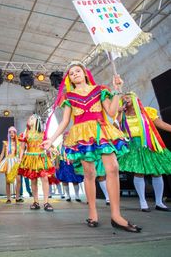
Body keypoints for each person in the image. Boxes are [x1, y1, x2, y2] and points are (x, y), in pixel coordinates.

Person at [42, 61, 141, 232]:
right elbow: (65, 121)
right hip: (81, 135)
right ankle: (92, 212)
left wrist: (117, 90)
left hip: (101, 130)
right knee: (89, 174)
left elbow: (111, 112)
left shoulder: (100, 90)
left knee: (113, 168)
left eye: (77, 71)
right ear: (70, 79)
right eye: (71, 73)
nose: (75, 74)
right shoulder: (69, 97)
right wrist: (51, 139)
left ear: (85, 73)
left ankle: (116, 216)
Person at [118, 92, 171, 212]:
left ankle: (159, 202)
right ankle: (143, 202)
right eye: (124, 98)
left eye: (128, 97)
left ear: (135, 98)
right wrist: (120, 112)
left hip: (150, 144)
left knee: (157, 172)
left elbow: (161, 124)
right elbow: (116, 128)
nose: (126, 99)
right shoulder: (122, 115)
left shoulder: (147, 112)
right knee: (139, 173)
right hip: (134, 147)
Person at [18, 114, 55, 212]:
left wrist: (51, 150)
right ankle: (36, 201)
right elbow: (22, 148)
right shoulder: (25, 133)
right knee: (33, 180)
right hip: (30, 158)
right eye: (29, 118)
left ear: (37, 121)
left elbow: (48, 145)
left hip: (41, 157)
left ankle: (46, 202)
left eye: (31, 118)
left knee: (45, 178)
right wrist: (20, 158)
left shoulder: (43, 133)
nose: (29, 119)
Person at [0, 126, 22, 203]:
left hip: (15, 161)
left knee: (18, 180)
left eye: (13, 132)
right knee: (8, 181)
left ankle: (17, 197)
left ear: (15, 133)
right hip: (7, 161)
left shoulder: (18, 143)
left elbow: (20, 152)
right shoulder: (5, 143)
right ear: (8, 133)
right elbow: (2, 154)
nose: (12, 134)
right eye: (10, 132)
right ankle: (8, 198)